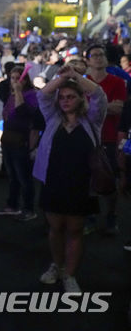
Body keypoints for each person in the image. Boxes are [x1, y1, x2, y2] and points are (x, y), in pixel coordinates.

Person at [33, 64, 107, 293]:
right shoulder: (52, 118)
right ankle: (57, 264)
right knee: (55, 228)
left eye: (71, 96)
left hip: (81, 184)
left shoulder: (92, 120)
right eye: (62, 97)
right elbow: (43, 95)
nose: (65, 100)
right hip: (53, 182)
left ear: (80, 99)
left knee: (75, 230)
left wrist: (75, 76)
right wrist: (61, 77)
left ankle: (70, 274)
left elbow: (99, 96)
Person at [85, 44, 126, 234]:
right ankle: (91, 216)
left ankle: (111, 215)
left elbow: (119, 108)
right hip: (88, 138)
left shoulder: (117, 82)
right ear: (88, 60)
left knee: (110, 180)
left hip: (110, 137)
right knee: (87, 180)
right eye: (94, 55)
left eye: (101, 55)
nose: (99, 58)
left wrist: (92, 107)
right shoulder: (83, 82)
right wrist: (105, 106)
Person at [0, 66, 39, 221]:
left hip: (22, 140)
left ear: (25, 80)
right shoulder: (11, 94)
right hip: (9, 139)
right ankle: (13, 205)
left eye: (17, 78)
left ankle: (28, 208)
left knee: (24, 177)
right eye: (12, 78)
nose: (14, 81)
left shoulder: (30, 94)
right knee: (13, 176)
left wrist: (19, 92)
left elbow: (23, 112)